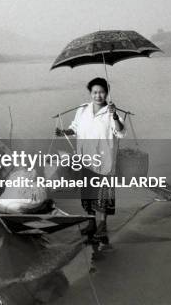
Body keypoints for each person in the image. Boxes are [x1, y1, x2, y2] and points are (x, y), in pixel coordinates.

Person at [55, 77, 125, 248]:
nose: (98, 95)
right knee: (88, 195)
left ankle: (102, 227)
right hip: (86, 159)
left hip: (104, 160)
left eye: (101, 92)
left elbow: (121, 132)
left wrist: (115, 115)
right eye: (95, 92)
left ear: (106, 93)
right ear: (90, 93)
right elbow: (75, 127)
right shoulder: (82, 109)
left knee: (101, 196)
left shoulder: (111, 111)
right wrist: (64, 131)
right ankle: (92, 224)